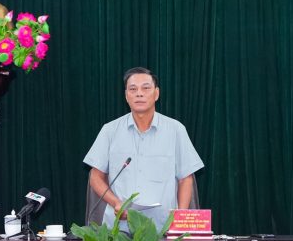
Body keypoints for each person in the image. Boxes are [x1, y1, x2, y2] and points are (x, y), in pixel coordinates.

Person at [84, 67, 203, 229]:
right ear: (126, 95)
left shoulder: (175, 130)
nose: (139, 94)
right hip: (119, 228)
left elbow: (185, 178)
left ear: (156, 93)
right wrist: (116, 202)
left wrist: (179, 220)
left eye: (146, 88)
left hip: (162, 227)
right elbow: (95, 177)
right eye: (133, 89)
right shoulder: (110, 130)